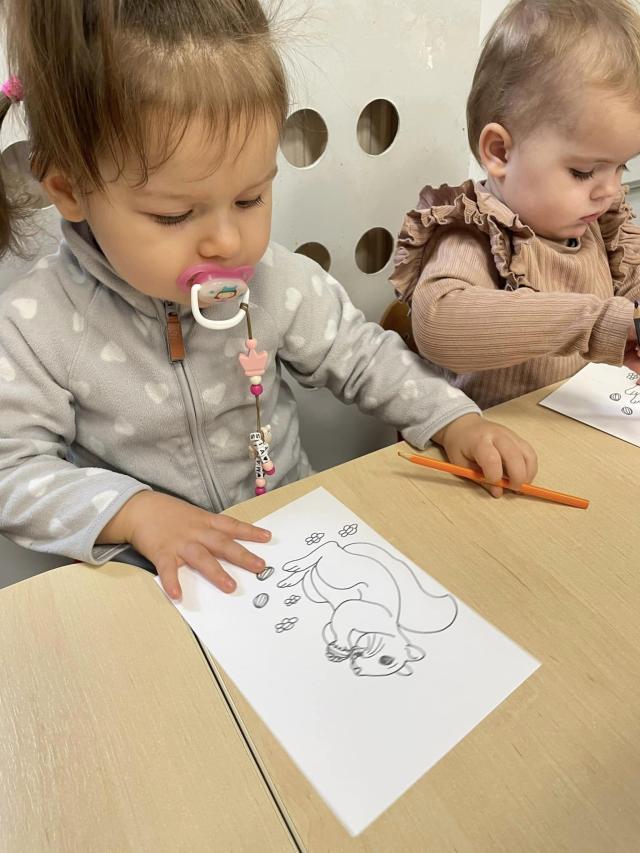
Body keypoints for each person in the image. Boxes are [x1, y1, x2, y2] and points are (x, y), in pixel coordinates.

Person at [0, 0, 536, 599]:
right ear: (71, 190)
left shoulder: (275, 281)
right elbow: (10, 470)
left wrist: (452, 417)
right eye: (174, 215)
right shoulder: (35, 325)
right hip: (149, 589)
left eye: (250, 199)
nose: (228, 242)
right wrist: (134, 512)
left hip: (288, 553)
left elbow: (363, 357)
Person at [392, 0, 640, 410]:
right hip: (491, 438)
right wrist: (595, 325)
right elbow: (437, 324)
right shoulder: (475, 231)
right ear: (500, 152)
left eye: (621, 167)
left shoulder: (600, 223)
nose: (610, 190)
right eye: (583, 172)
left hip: (581, 429)